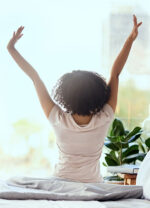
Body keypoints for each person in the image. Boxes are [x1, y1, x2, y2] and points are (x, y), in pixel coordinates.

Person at [7, 15, 142, 183]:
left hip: (59, 183)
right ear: (98, 93)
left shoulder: (58, 118)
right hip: (93, 186)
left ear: (65, 96)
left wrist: (11, 48)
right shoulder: (104, 117)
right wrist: (130, 39)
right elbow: (115, 73)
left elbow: (35, 77)